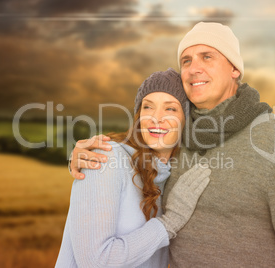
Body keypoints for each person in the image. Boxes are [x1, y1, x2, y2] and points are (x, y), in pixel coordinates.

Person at [69, 22, 275, 267]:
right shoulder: (178, 135)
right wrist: (82, 160)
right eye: (186, 60)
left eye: (207, 56)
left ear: (235, 68)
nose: (193, 67)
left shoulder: (274, 136)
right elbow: (134, 157)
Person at [55, 68, 211, 268]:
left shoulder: (173, 177)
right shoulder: (106, 159)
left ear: (186, 120)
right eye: (148, 107)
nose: (156, 117)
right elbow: (95, 262)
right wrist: (169, 222)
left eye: (170, 109)